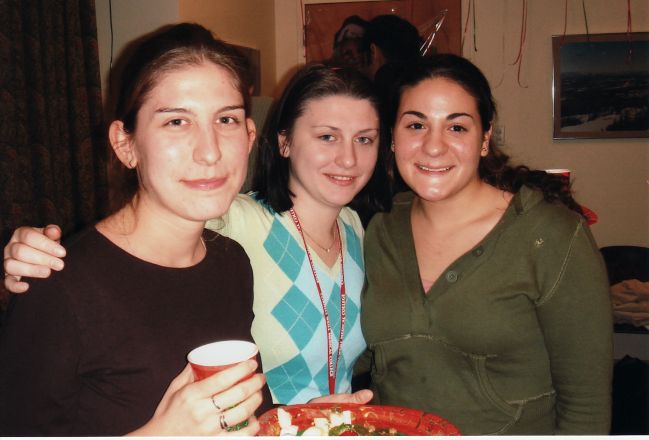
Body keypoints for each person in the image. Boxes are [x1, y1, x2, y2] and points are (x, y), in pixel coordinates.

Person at [3, 64, 391, 405]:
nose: (348, 158)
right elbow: (145, 229)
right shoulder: (235, 219)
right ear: (283, 141)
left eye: (364, 139)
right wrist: (32, 248)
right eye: (327, 136)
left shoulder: (357, 229)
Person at [0, 23, 266, 435]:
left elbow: (233, 414)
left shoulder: (232, 263)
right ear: (126, 145)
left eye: (226, 119)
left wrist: (304, 419)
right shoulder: (57, 285)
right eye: (177, 122)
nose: (210, 151)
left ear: (249, 136)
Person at [355, 54, 613, 435]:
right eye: (415, 125)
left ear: (485, 138)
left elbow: (586, 404)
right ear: (392, 137)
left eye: (456, 127)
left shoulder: (550, 235)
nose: (433, 146)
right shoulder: (379, 228)